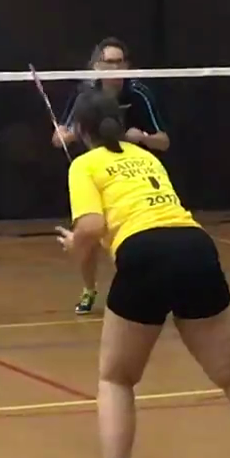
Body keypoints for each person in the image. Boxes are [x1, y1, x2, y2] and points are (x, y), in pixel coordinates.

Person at [58, 88, 230, 458]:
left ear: (82, 131)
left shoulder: (84, 165)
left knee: (116, 378)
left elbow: (92, 225)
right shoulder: (147, 157)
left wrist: (74, 244)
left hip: (144, 254)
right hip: (195, 247)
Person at [53, 38, 169, 315]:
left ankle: (141, 285)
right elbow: (58, 138)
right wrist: (67, 135)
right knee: (89, 235)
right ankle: (89, 288)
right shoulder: (83, 95)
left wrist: (143, 137)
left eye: (120, 62)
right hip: (96, 172)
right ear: (96, 66)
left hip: (130, 171)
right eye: (109, 62)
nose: (115, 68)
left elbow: (164, 142)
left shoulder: (139, 94)